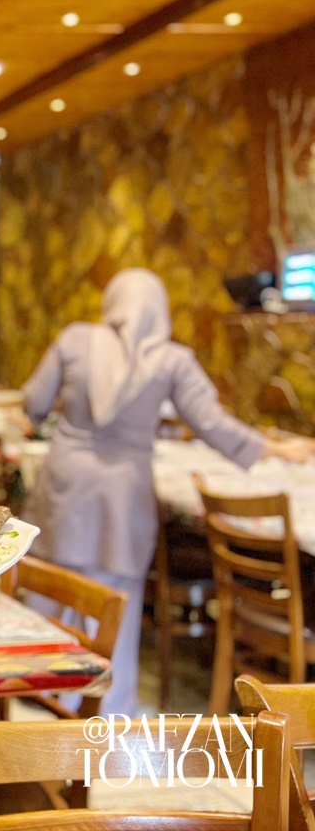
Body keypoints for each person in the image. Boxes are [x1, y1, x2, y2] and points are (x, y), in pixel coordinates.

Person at [20, 267, 313, 717]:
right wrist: (275, 447)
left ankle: (46, 697)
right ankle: (109, 709)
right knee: (117, 599)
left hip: (65, 487)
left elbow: (34, 403)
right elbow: (213, 425)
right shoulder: (173, 359)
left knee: (55, 590)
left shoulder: (75, 339)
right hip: (124, 497)